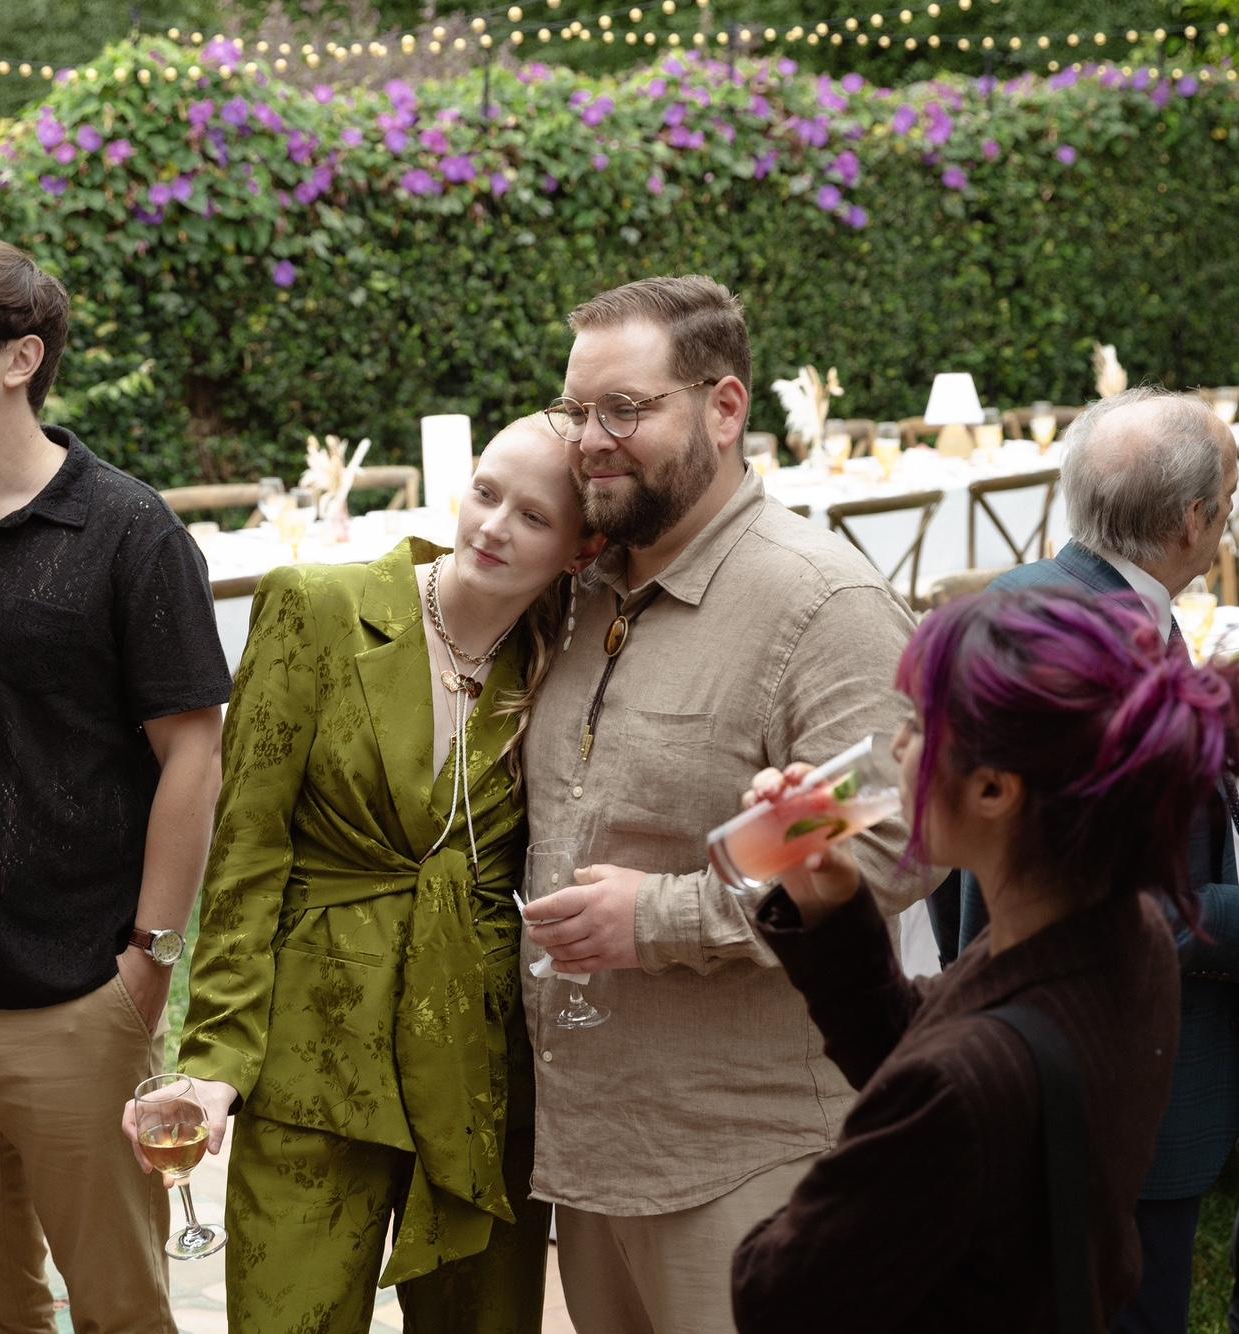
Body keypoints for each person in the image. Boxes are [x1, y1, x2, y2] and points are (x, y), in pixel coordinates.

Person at [518, 274, 933, 1334]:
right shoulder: (582, 592)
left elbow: (883, 829)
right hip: (588, 1155)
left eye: (624, 408)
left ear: (724, 405)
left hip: (746, 1165)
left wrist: (658, 919)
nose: (590, 439)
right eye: (575, 410)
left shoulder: (814, 601)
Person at [126, 416, 602, 1333]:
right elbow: (247, 853)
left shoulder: (567, 666)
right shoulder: (315, 605)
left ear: (581, 552)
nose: (494, 526)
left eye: (534, 518)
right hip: (309, 1056)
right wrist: (216, 1062)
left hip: (479, 1067)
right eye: (487, 492)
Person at [731, 586, 1215, 1330]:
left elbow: (775, 1292)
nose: (895, 750)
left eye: (920, 727)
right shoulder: (1121, 930)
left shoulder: (960, 1089)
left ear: (993, 788)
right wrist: (829, 900)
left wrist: (845, 1176)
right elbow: (918, 1041)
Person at [0, 238, 230, 1330]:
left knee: (121, 1309)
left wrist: (150, 963)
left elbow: (194, 751)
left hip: (75, 1000)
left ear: (20, 356)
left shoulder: (128, 531)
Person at [950, 387, 1239, 1334]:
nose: (1231, 512)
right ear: (1194, 518)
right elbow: (1089, 906)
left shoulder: (1036, 597)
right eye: (1229, 493)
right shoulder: (1088, 646)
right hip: (1113, 1087)